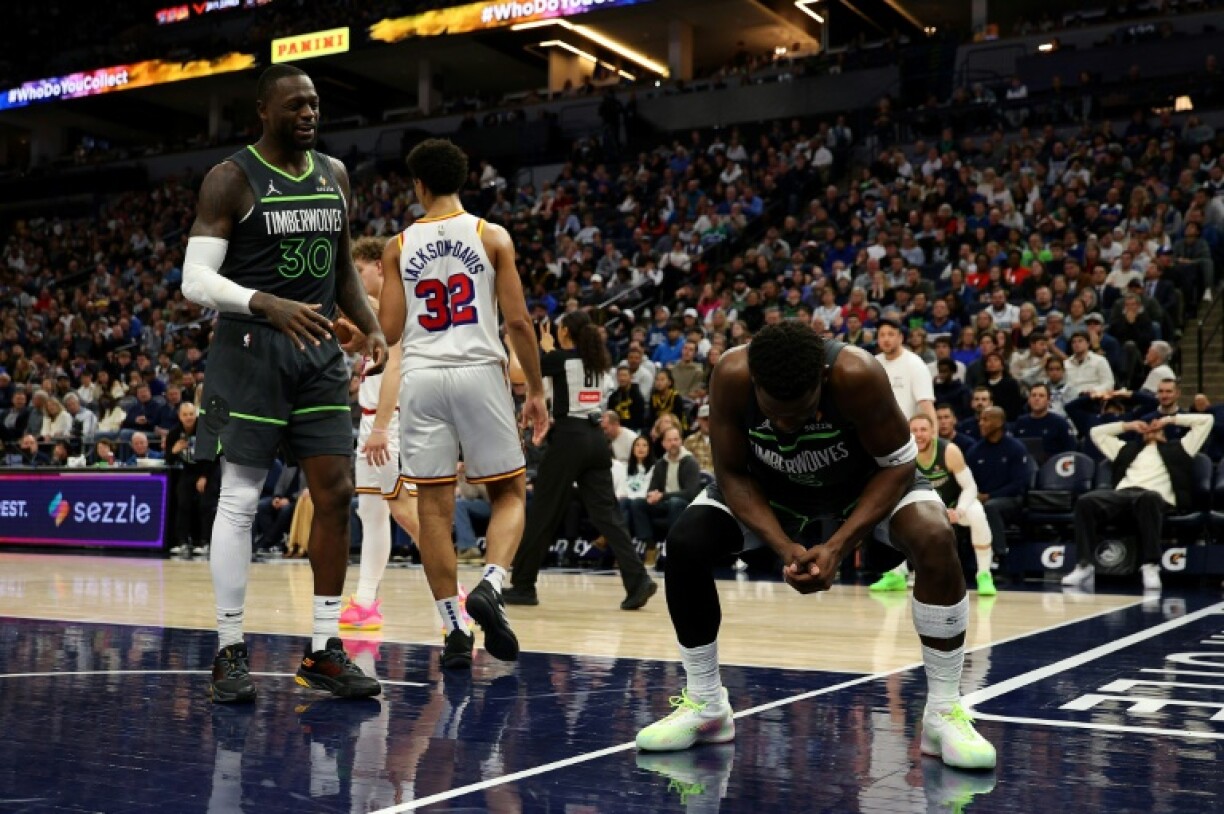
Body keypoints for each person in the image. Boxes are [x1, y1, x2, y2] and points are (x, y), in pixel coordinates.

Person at [635, 323, 995, 770]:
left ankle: (942, 713)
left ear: (823, 379)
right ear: (756, 385)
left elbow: (899, 463)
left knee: (935, 534)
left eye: (800, 412)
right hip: (772, 492)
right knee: (686, 540)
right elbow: (731, 473)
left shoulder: (857, 374)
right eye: (775, 413)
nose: (786, 425)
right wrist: (786, 547)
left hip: (863, 488)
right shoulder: (731, 375)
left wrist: (839, 546)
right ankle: (707, 706)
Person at [182, 64, 387, 703]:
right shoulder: (231, 178)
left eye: (315, 104)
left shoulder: (335, 174)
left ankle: (325, 650)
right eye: (296, 104)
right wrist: (265, 303)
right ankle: (229, 650)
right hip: (250, 352)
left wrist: (372, 325)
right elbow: (195, 280)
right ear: (264, 111)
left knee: (335, 492)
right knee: (240, 499)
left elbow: (342, 267)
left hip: (319, 351)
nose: (309, 113)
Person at [379, 137, 549, 669]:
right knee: (509, 492)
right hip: (479, 370)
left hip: (422, 376)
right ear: (461, 180)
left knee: (432, 510)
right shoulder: (490, 234)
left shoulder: (397, 246)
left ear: (418, 186)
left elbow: (387, 331)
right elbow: (519, 322)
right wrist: (538, 391)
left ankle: (454, 631)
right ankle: (492, 585)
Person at [504, 311, 655, 610]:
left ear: (566, 333)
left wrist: (518, 344)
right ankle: (638, 579)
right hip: (597, 440)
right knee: (607, 515)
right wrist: (550, 349)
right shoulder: (598, 361)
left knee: (543, 510)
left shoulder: (561, 359)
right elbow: (562, 364)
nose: (556, 332)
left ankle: (523, 585)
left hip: (569, 438)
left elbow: (520, 373)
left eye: (559, 329)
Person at [340, 236, 421, 633]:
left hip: (391, 420)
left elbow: (394, 368)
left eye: (359, 271)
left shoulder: (395, 305)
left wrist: (384, 427)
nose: (355, 278)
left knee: (407, 512)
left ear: (380, 267)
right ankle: (367, 601)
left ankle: (455, 590)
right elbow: (358, 329)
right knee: (371, 513)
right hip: (371, 420)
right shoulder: (373, 310)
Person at [1062, 412, 1214, 592]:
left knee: (1148, 498)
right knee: (1086, 501)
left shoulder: (1181, 448)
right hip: (1123, 495)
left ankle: (1151, 565)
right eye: (1149, 427)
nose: (1153, 428)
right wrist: (1128, 426)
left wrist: (1169, 419)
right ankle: (1084, 564)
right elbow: (1096, 432)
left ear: (1165, 434)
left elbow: (1207, 420)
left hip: (1155, 497)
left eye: (1157, 428)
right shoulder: (1126, 449)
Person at [871, 415, 996, 596]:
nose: (919, 435)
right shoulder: (902, 455)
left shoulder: (949, 451)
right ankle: (896, 575)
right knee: (893, 516)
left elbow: (970, 487)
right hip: (924, 510)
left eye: (923, 430)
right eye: (914, 430)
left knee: (977, 512)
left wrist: (959, 511)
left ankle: (984, 574)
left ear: (932, 432)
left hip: (954, 507)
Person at [965, 407, 1030, 562]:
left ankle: (999, 554)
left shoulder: (1015, 448)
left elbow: (1020, 483)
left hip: (1012, 499)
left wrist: (989, 496)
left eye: (985, 419)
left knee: (991, 506)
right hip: (982, 498)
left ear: (999, 422)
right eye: (980, 419)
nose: (981, 423)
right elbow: (969, 481)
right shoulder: (975, 451)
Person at [166, 402, 217, 558]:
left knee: (205, 505)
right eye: (185, 415)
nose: (188, 417)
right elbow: (168, 458)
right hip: (188, 470)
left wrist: (204, 476)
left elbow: (213, 455)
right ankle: (182, 541)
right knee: (182, 503)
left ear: (196, 414)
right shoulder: (174, 433)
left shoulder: (206, 430)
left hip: (209, 469)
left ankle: (205, 542)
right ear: (180, 416)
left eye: (191, 414)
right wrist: (174, 451)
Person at [874, 318, 936, 426]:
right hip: (879, 432)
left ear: (900, 338)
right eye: (882, 335)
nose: (886, 339)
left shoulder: (915, 364)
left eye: (891, 334)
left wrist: (933, 439)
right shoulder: (873, 363)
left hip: (908, 434)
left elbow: (927, 406)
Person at [1012, 383, 1075, 460]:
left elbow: (1070, 449)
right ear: (1029, 400)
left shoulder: (1059, 422)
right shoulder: (1020, 422)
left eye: (1041, 396)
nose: (1037, 399)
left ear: (1048, 400)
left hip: (1052, 466)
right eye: (1033, 395)